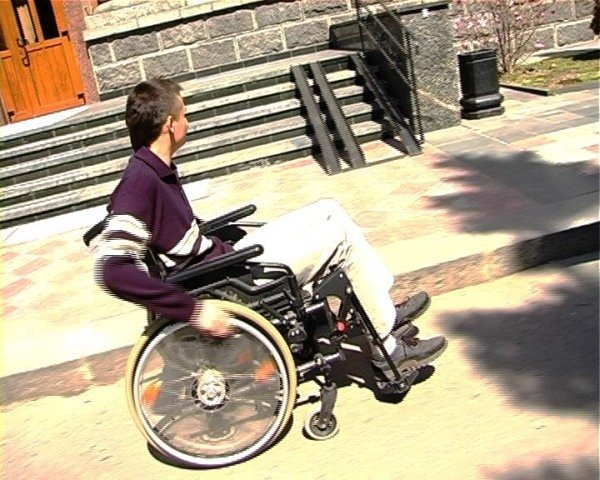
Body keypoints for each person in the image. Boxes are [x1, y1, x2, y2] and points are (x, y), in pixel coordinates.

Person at [94, 78, 447, 380]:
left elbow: (179, 239)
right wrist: (192, 311)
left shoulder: (154, 169)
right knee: (339, 239)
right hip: (231, 282)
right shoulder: (139, 183)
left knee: (329, 210)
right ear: (170, 125)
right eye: (185, 114)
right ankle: (387, 350)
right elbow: (113, 271)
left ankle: (379, 310)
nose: (189, 121)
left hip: (226, 262)